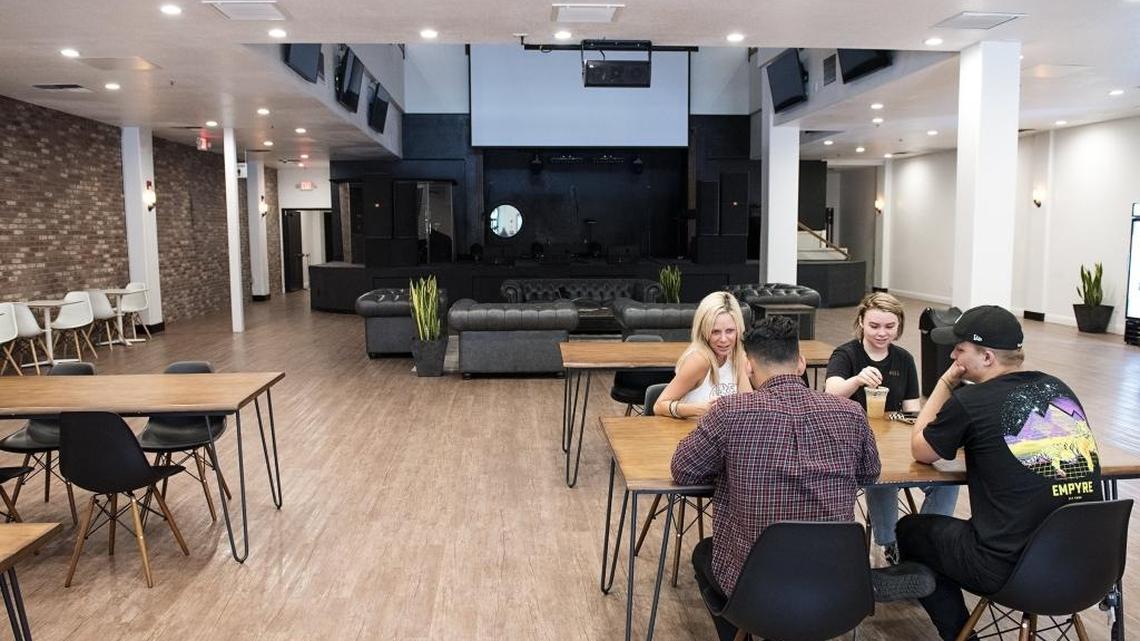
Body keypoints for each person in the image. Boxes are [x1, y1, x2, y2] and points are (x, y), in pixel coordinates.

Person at [672, 317, 882, 641]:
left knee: (704, 553)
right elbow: (869, 473)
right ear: (801, 363)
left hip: (757, 591)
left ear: (748, 366)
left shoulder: (729, 412)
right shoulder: (851, 413)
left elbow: (684, 469)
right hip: (839, 586)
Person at [901, 305, 1102, 641]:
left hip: (1009, 571)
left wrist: (945, 382)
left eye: (959, 349)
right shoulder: (1059, 389)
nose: (952, 356)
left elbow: (921, 450)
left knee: (911, 530)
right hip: (1090, 567)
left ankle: (962, 635)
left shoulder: (971, 401)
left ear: (987, 357)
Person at [824, 293, 959, 565]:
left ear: (899, 326)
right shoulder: (846, 354)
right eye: (874, 326)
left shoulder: (904, 359)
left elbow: (912, 411)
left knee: (947, 481)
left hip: (895, 443)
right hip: (855, 444)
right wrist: (857, 380)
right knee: (881, 474)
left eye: (889, 326)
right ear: (861, 322)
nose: (882, 333)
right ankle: (890, 544)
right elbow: (830, 393)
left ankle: (923, 543)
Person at [653, 291, 751, 419]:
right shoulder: (699, 360)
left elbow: (749, 406)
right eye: (715, 332)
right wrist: (698, 409)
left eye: (730, 331)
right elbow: (659, 406)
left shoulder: (738, 356)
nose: (723, 339)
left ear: (739, 329)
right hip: (692, 429)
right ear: (704, 331)